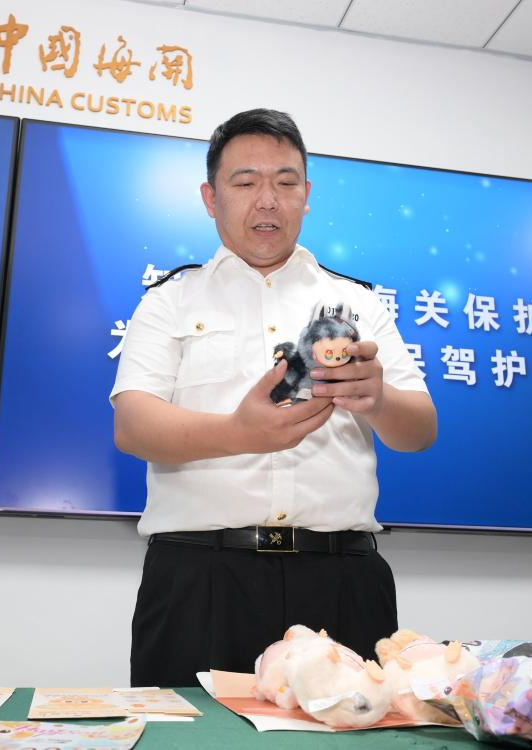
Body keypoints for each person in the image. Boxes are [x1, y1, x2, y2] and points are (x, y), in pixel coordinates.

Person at [111, 109, 437, 687]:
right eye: (246, 182)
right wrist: (239, 434)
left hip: (342, 579)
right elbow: (134, 426)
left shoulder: (357, 302)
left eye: (286, 183)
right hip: (199, 580)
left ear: (306, 195)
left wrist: (379, 399)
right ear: (211, 198)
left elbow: (420, 432)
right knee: (188, 732)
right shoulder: (169, 301)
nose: (268, 200)